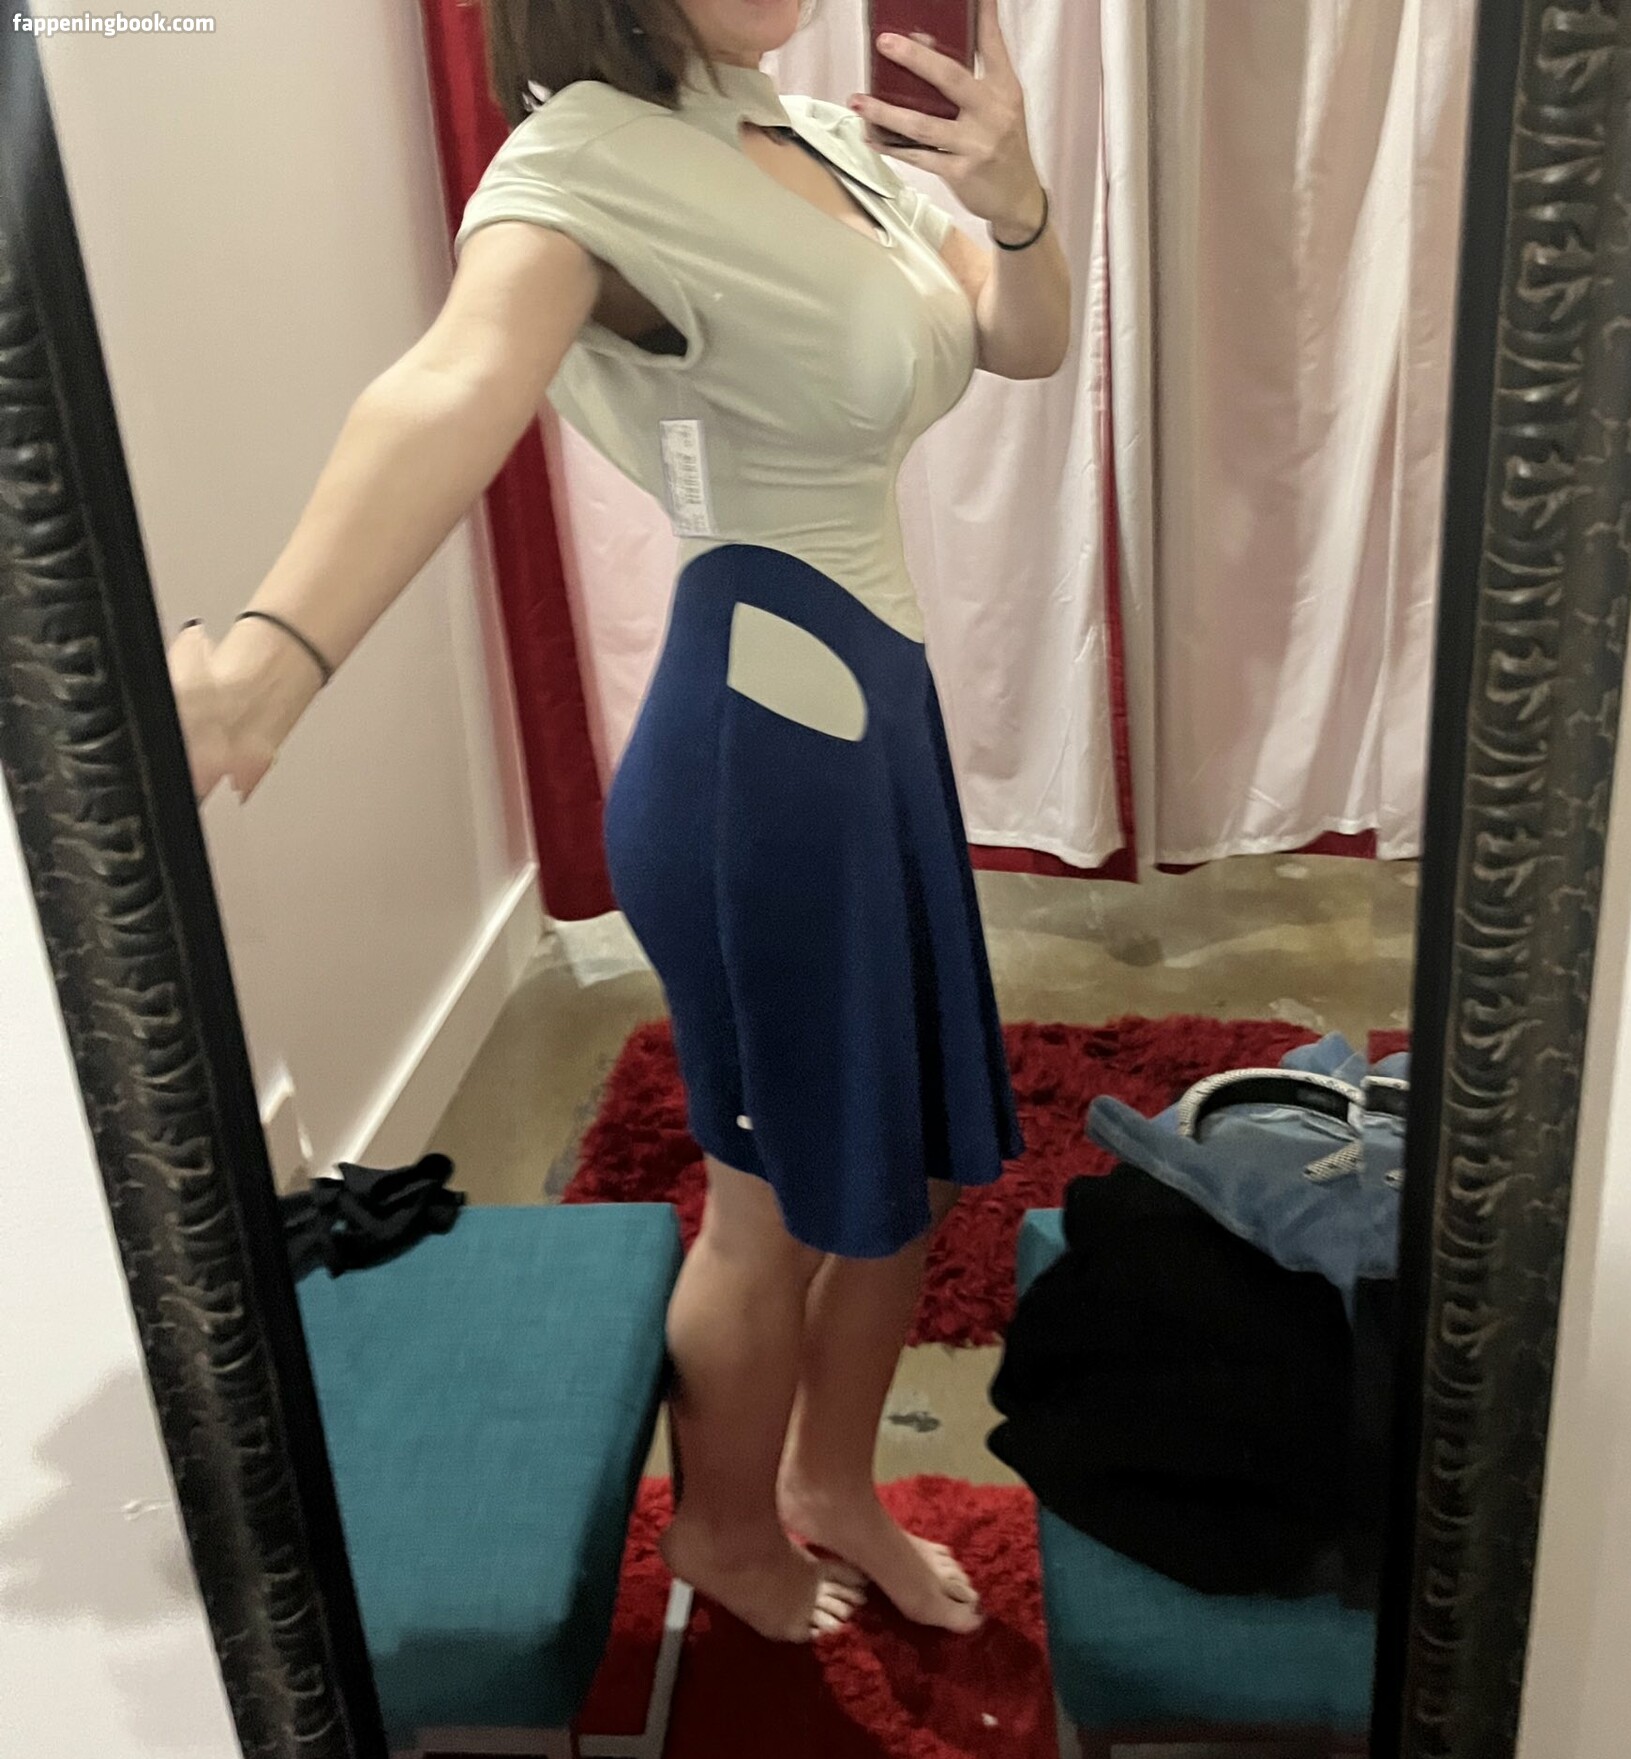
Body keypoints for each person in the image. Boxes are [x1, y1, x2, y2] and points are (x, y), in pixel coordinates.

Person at [169, 0, 1070, 1644]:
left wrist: (1014, 205)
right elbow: (453, 381)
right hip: (760, 770)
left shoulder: (823, 138)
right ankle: (724, 1533)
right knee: (769, 1204)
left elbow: (1024, 341)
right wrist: (271, 661)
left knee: (918, 1165)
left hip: (876, 731)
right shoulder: (585, 157)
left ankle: (833, 1485)